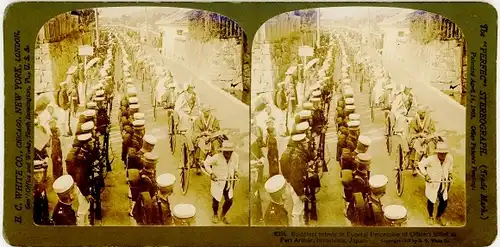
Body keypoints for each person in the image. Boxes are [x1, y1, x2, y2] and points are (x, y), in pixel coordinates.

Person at [204, 141, 239, 225]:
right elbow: (206, 163)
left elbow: (235, 166)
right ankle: (215, 214)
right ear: (223, 151)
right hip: (218, 182)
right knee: (216, 200)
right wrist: (211, 173)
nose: (228, 154)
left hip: (228, 182)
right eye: (226, 152)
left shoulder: (235, 157)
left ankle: (223, 215)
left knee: (229, 201)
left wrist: (236, 173)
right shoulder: (216, 157)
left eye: (230, 152)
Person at [418, 142, 453, 226]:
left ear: (446, 153)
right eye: (440, 153)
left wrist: (450, 174)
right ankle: (430, 216)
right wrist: (426, 175)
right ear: (437, 153)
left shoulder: (449, 158)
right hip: (433, 183)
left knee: (444, 202)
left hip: (443, 183)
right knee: (431, 200)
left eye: (444, 153)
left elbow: (450, 167)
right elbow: (420, 164)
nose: (442, 155)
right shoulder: (431, 159)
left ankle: (439, 217)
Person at [66, 133, 94, 226]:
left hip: (83, 185)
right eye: (90, 142)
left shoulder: (84, 153)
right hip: (82, 187)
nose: (92, 143)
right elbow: (80, 179)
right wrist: (86, 193)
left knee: (86, 207)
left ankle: (86, 224)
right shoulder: (81, 159)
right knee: (83, 209)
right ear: (85, 144)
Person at [193, 104, 221, 173]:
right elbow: (196, 131)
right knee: (201, 143)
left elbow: (217, 129)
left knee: (216, 143)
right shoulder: (198, 119)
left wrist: (210, 135)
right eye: (206, 111)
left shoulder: (214, 119)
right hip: (201, 137)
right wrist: (202, 134)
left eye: (208, 111)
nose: (207, 113)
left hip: (212, 136)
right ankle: (200, 161)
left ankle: (215, 160)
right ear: (202, 112)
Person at [409, 105, 436, 175]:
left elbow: (433, 132)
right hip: (417, 138)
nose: (421, 115)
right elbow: (412, 133)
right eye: (420, 113)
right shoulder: (414, 121)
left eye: (423, 113)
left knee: (431, 145)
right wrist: (419, 135)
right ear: (418, 113)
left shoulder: (430, 120)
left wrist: (428, 137)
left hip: (428, 138)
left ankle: (430, 163)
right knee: (416, 144)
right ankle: (415, 164)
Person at [33, 160, 51, 225]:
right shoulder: (33, 191)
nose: (38, 176)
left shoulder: (42, 187)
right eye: (35, 173)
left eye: (41, 173)